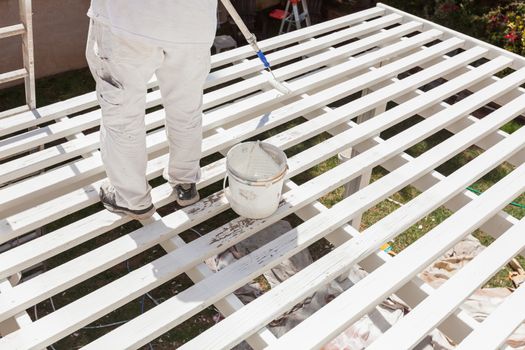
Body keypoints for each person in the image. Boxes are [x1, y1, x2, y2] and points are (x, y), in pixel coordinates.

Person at [85, 0, 218, 220]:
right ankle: (185, 181)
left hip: (127, 22)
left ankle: (131, 198)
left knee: (122, 114)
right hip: (193, 23)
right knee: (185, 107)